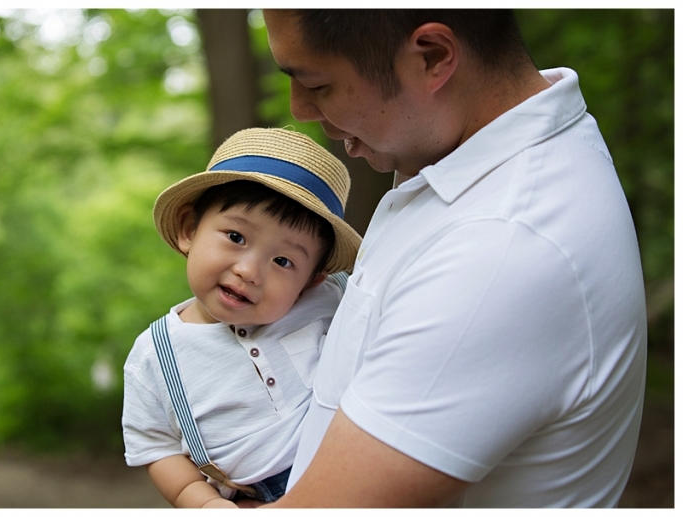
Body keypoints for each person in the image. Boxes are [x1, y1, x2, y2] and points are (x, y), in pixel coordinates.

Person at [261, 9, 647, 508]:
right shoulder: (465, 169)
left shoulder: (499, 252)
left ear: (433, 57)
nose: (299, 109)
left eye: (316, 83)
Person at [121, 127, 362, 508]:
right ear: (189, 229)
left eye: (283, 261)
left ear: (312, 278)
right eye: (236, 237)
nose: (249, 271)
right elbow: (156, 445)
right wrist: (201, 502)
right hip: (252, 497)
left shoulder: (329, 300)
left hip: (354, 471)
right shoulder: (155, 355)